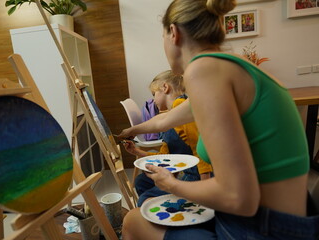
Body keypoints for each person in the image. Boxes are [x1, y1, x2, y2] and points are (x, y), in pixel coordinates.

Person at [118, 0, 319, 239]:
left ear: (173, 33)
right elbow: (165, 120)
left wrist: (170, 184)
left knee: (132, 221)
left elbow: (239, 197)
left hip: (264, 229)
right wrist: (133, 130)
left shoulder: (203, 69)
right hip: (289, 221)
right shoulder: (230, 65)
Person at [123, 70, 213, 207]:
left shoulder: (181, 106)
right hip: (187, 173)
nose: (153, 100)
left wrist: (204, 186)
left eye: (154, 94)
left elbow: (198, 147)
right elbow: (164, 156)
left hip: (197, 176)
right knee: (141, 181)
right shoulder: (171, 115)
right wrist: (136, 152)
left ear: (165, 88)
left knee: (145, 198)